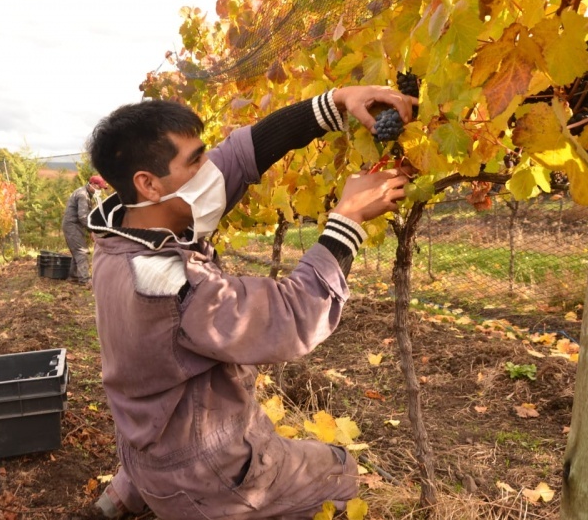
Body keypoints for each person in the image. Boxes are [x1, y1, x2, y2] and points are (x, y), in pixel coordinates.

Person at [85, 85, 416, 519]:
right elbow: (293, 316)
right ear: (148, 184)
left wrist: (337, 101)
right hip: (209, 472)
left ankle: (129, 492)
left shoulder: (122, 231)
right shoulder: (166, 281)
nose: (210, 169)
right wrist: (347, 220)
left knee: (162, 423)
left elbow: (241, 156)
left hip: (148, 440)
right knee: (342, 470)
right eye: (196, 160)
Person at [62, 175, 108, 286]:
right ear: (92, 184)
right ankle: (85, 280)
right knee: (81, 251)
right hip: (72, 226)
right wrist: (93, 230)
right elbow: (83, 216)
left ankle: (73, 276)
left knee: (77, 251)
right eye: (99, 187)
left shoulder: (86, 193)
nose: (100, 190)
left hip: (74, 226)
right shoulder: (82, 195)